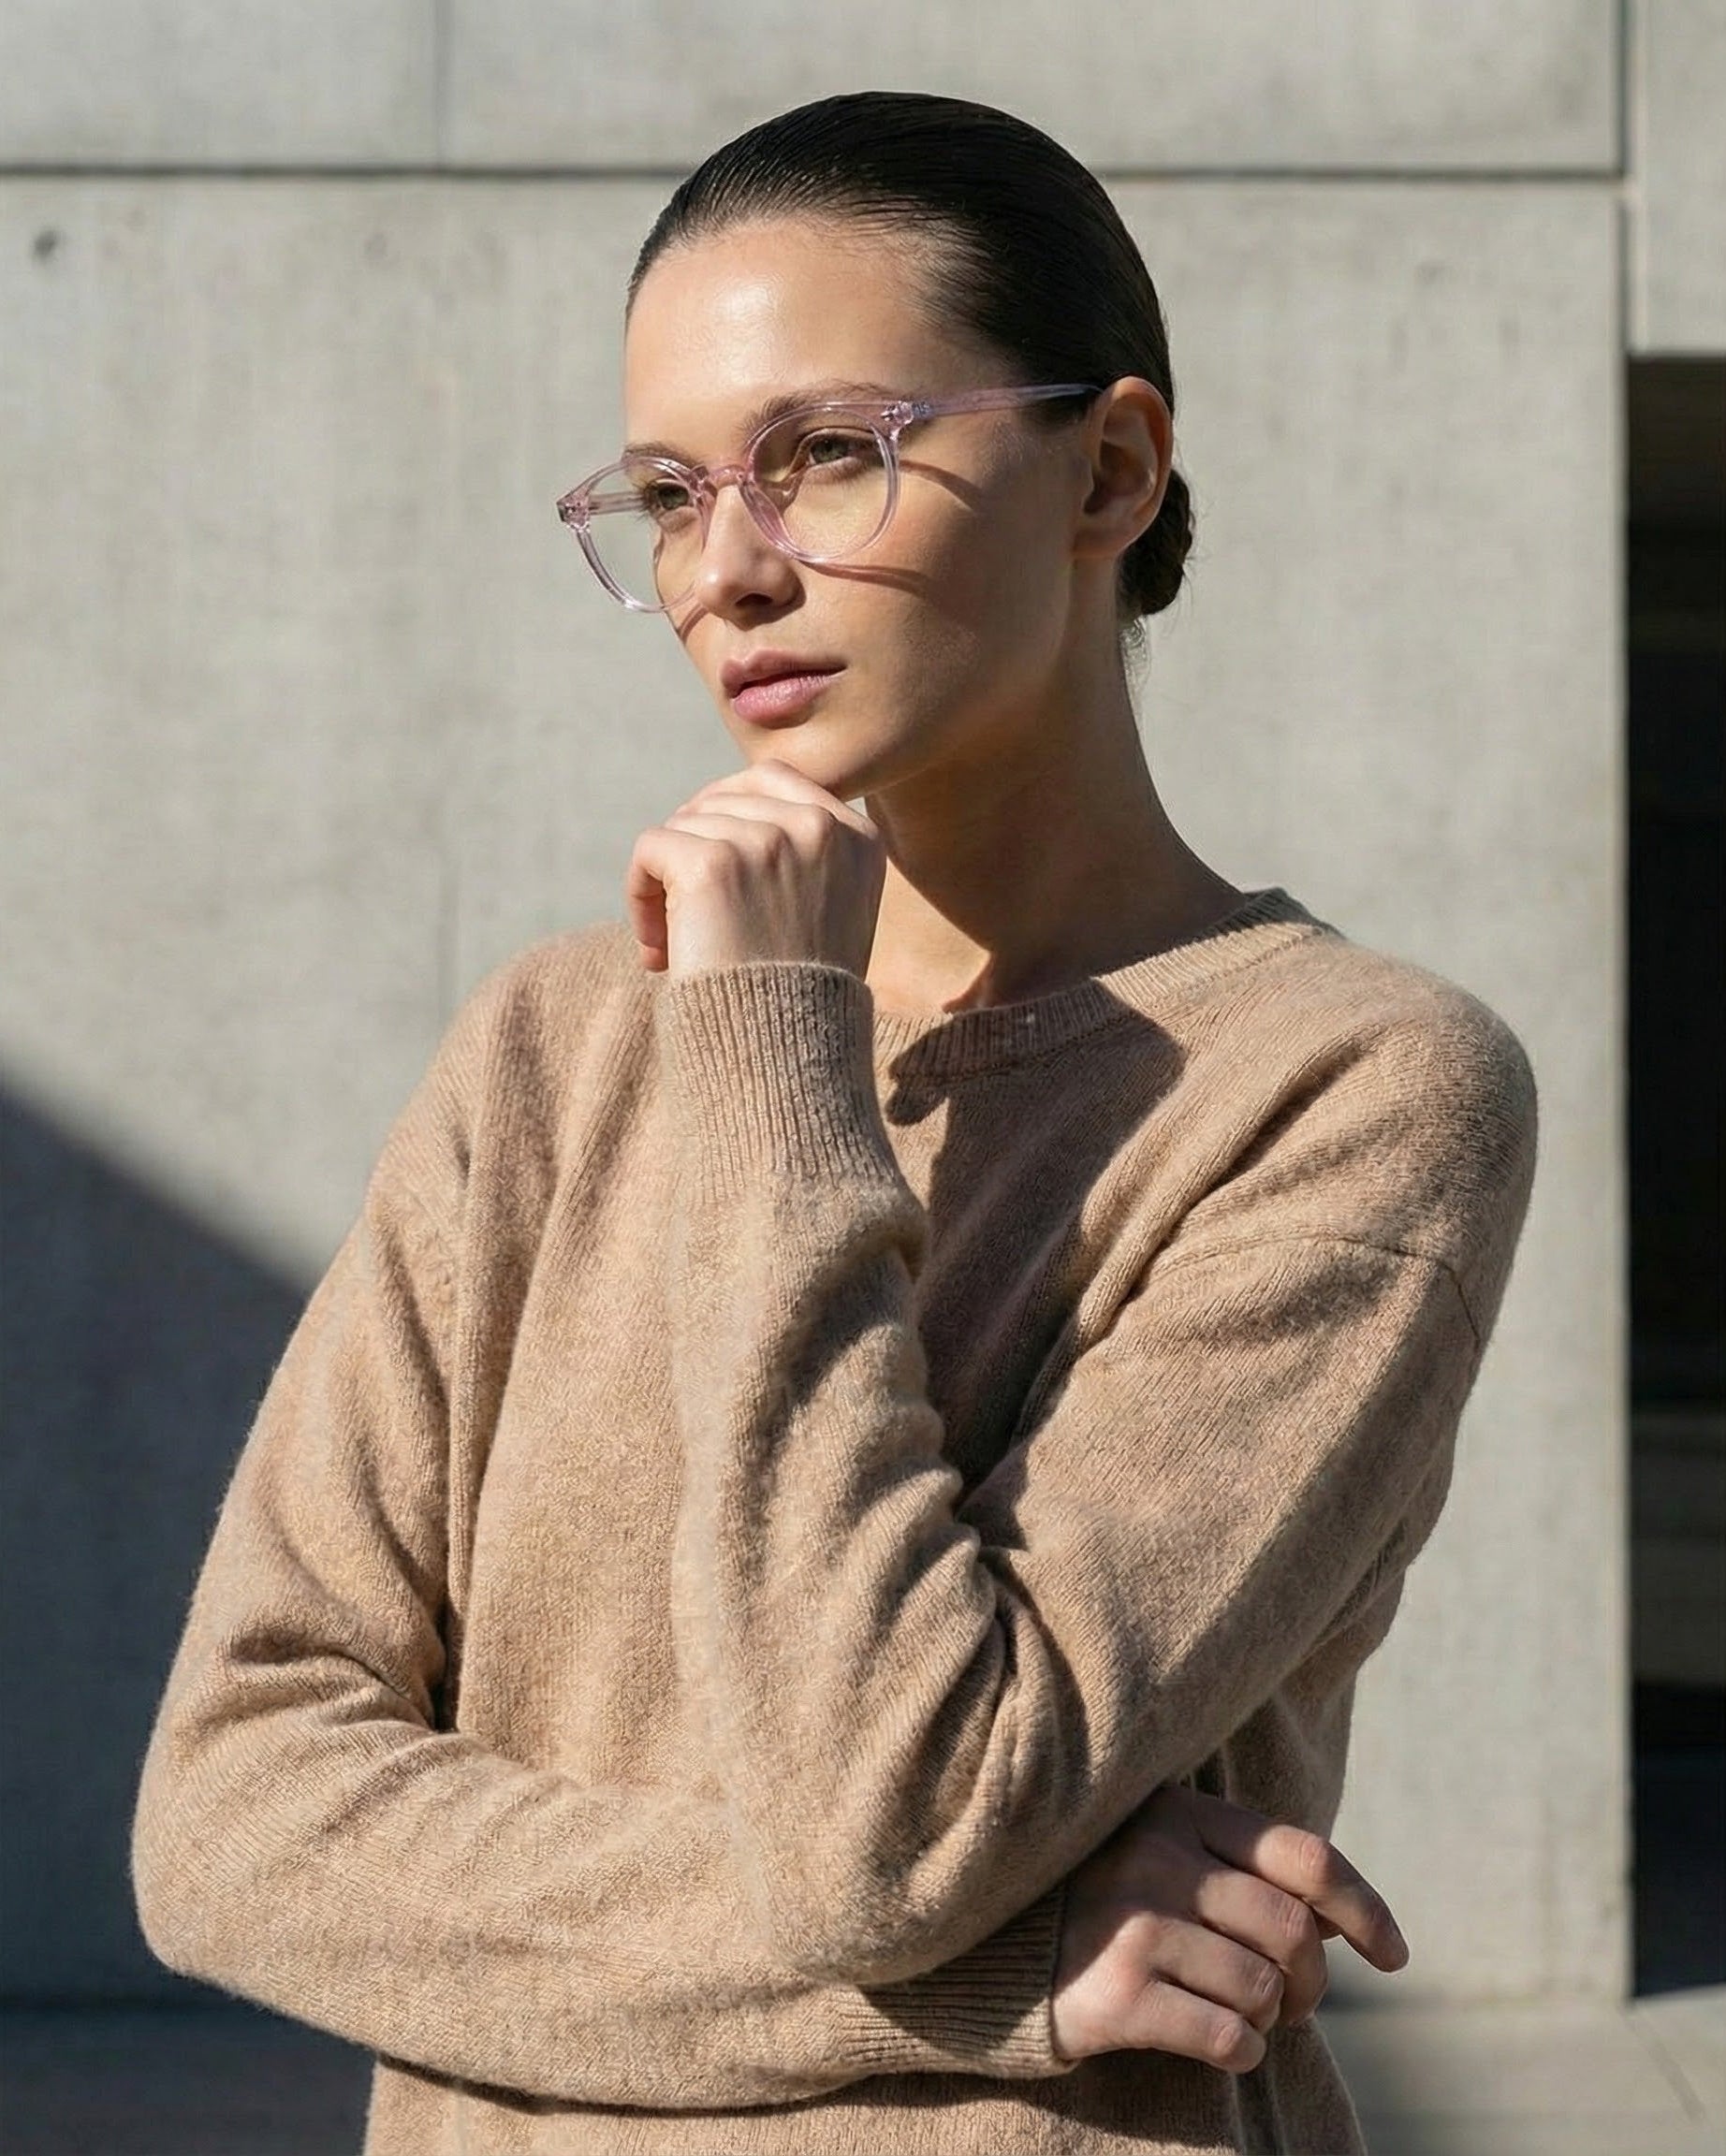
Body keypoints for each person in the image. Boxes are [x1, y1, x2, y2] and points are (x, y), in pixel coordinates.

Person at [131, 90, 1538, 2156]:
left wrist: (775, 1049)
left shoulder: (1347, 1088)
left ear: (1110, 469)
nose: (727, 570)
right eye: (670, 492)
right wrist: (1006, 1967)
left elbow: (906, 1813)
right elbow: (232, 1818)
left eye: (825, 454)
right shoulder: (553, 1048)